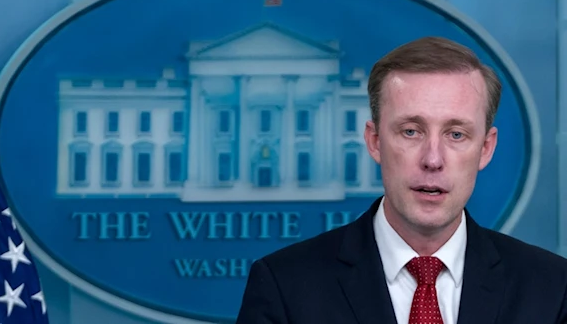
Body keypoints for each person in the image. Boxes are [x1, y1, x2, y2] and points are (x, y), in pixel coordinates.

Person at [235, 36, 567, 324]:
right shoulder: (285, 286)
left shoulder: (552, 288)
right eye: (411, 131)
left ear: (485, 148)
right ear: (375, 141)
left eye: (456, 134)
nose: (433, 159)